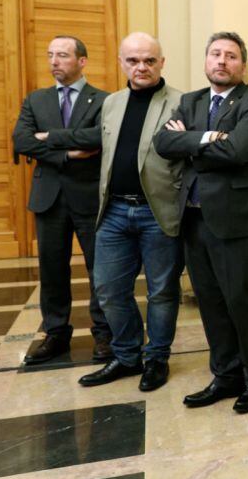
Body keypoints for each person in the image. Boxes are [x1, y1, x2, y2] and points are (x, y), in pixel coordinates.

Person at [154, 31, 248, 414]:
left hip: (238, 219)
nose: (222, 61)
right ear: (206, 60)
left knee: (241, 300)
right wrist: (208, 137)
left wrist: (189, 143)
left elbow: (239, 150)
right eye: (215, 54)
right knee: (208, 300)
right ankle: (225, 375)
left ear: (242, 64)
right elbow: (163, 144)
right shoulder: (190, 101)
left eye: (231, 56)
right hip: (193, 217)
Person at [76, 33, 184, 392]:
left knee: (162, 292)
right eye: (134, 60)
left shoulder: (182, 104)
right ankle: (126, 356)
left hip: (159, 212)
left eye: (149, 60)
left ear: (162, 63)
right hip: (115, 212)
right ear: (122, 62)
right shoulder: (111, 104)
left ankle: (156, 359)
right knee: (107, 288)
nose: (142, 67)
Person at [12, 36, 111, 365]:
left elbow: (98, 137)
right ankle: (56, 334)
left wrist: (51, 138)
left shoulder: (103, 101)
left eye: (63, 55)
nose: (54, 61)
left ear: (82, 61)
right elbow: (22, 140)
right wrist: (68, 154)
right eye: (50, 55)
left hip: (89, 196)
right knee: (51, 269)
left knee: (101, 269)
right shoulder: (35, 100)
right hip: (48, 198)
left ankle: (104, 334)